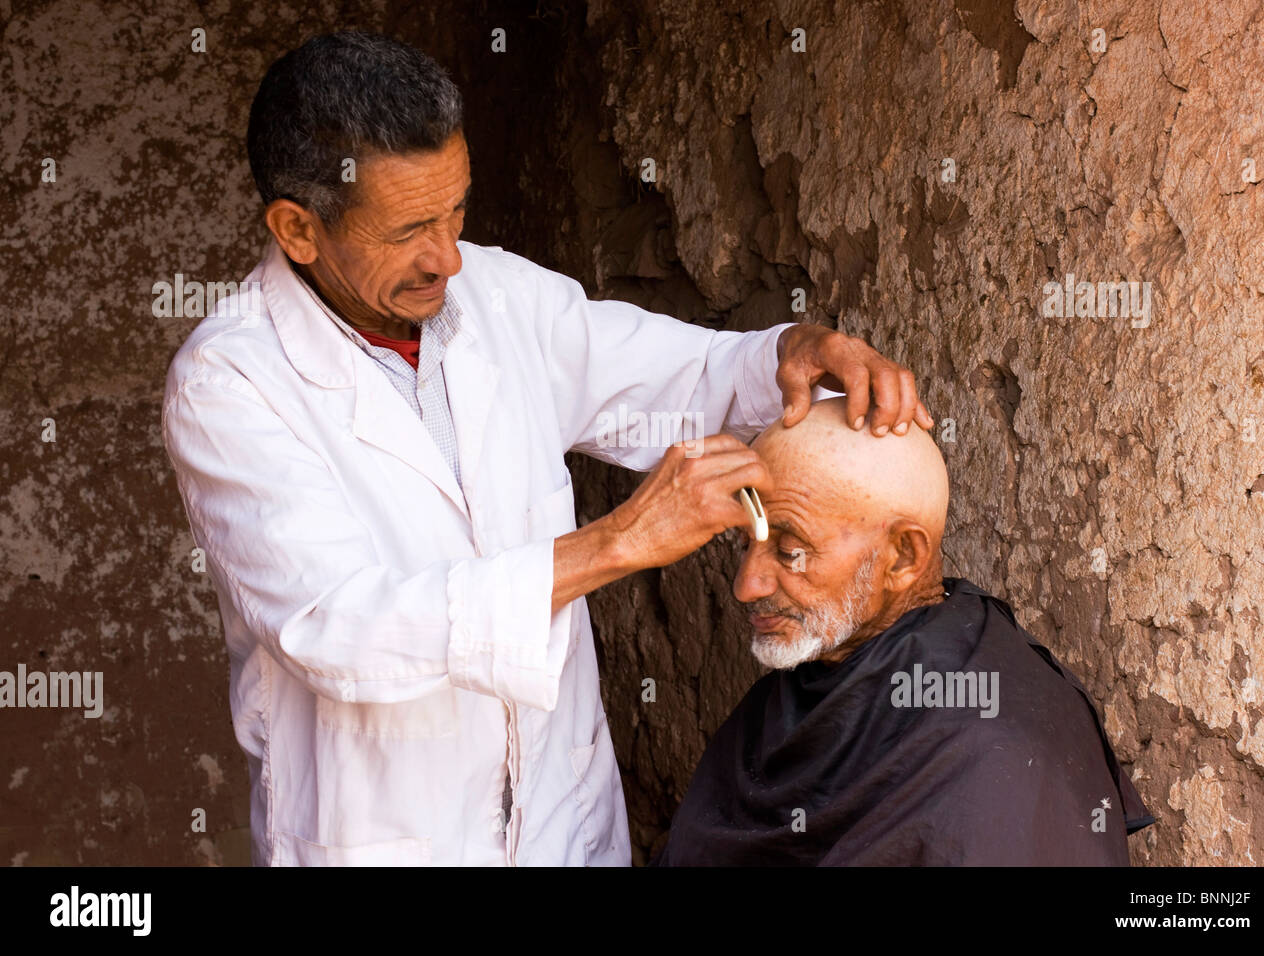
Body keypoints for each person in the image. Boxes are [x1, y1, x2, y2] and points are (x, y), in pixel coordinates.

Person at [160, 32, 932, 866]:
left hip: (564, 827)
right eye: (412, 228)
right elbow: (341, 628)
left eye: (456, 210)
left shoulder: (493, 295)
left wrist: (786, 353)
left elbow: (673, 380)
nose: (448, 256)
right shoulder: (230, 383)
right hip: (388, 841)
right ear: (298, 230)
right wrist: (619, 544)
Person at [653, 398, 1153, 865]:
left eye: (789, 552)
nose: (746, 585)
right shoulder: (809, 677)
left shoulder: (991, 755)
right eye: (745, 543)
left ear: (903, 557)